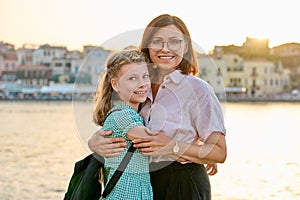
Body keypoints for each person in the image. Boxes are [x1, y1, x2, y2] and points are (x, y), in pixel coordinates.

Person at [89, 14, 227, 200]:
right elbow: (120, 126)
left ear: (185, 47)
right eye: (157, 41)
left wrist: (174, 147)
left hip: (182, 183)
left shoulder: (198, 90)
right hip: (142, 182)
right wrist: (95, 143)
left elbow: (219, 152)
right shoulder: (138, 87)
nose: (165, 48)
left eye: (174, 41)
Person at [93, 49, 153, 200]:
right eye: (132, 78)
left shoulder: (134, 115)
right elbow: (153, 141)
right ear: (116, 85)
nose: (142, 84)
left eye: (145, 76)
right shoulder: (122, 115)